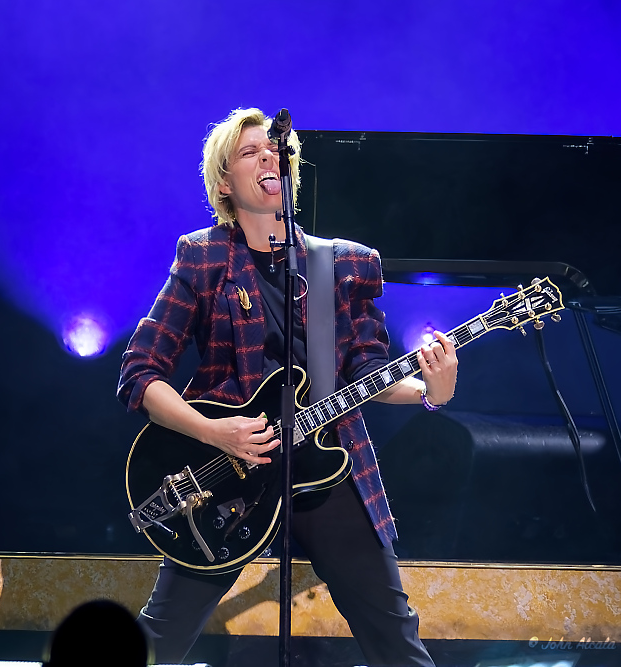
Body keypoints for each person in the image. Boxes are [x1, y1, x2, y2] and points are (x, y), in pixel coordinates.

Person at [117, 107, 457, 666]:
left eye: (275, 152)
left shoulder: (344, 263)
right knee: (160, 639)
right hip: (229, 473)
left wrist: (431, 391)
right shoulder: (203, 258)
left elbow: (365, 375)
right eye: (250, 153)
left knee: (396, 640)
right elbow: (140, 371)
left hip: (329, 464)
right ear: (224, 182)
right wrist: (212, 431)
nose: (268, 158)